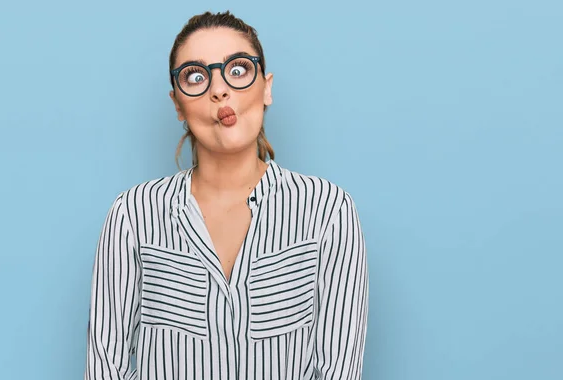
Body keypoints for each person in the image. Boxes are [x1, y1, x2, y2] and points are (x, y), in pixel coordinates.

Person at [84, 10, 368, 380]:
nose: (219, 89)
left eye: (237, 69)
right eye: (196, 76)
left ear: (266, 87)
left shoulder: (328, 211)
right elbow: (105, 367)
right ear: (177, 104)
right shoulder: (132, 216)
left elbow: (339, 370)